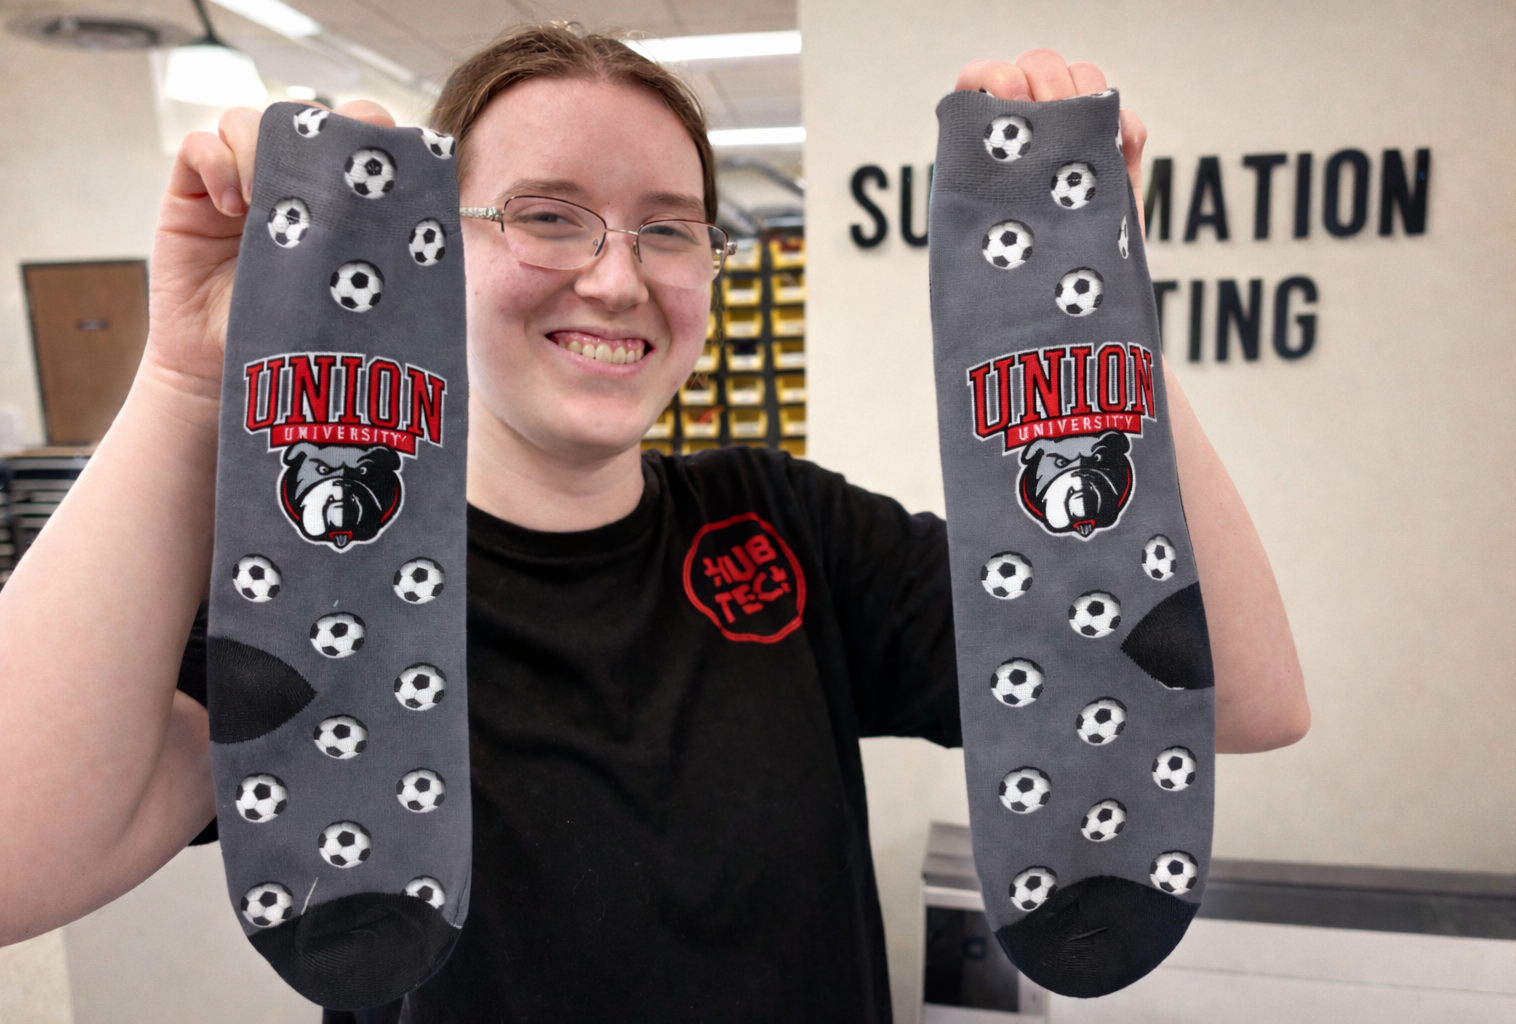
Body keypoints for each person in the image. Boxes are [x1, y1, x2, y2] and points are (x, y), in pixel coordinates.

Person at [0, 24, 1308, 1023]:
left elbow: (1243, 695)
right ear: (428, 250)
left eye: (670, 230)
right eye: (548, 215)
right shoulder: (324, 578)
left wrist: (1098, 329)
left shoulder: (787, 527)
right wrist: (184, 385)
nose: (618, 275)